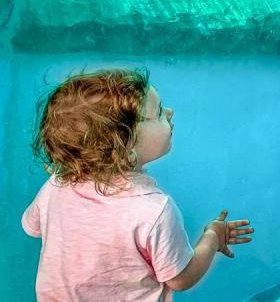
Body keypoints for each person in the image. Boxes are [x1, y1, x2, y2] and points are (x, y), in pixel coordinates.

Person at [21, 68, 254, 301]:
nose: (170, 112)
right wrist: (213, 237)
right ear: (126, 146)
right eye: (160, 111)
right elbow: (180, 278)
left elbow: (33, 226)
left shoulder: (56, 185)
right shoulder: (154, 210)